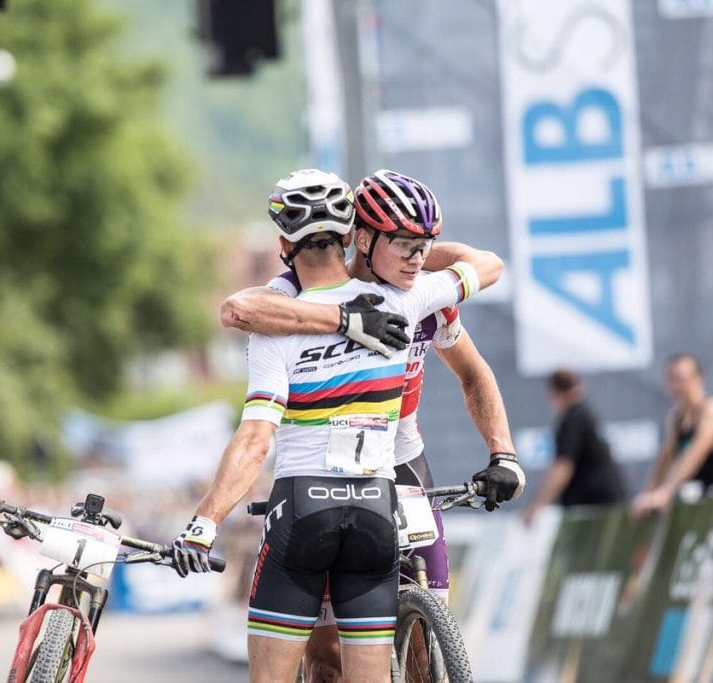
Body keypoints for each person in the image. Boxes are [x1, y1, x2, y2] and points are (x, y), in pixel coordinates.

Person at [171, 169, 523, 683]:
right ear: (358, 235)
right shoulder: (290, 301)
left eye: (422, 246)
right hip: (370, 492)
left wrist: (503, 453)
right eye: (403, 244)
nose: (415, 257)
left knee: (426, 647)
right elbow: (239, 308)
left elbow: (475, 369)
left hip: (399, 465)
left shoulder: (420, 291)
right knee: (327, 656)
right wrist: (345, 318)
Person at [630, 353, 713, 517]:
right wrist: (647, 495)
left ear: (698, 379)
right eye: (671, 379)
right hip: (699, 507)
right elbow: (665, 460)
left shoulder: (712, 409)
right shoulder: (676, 418)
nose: (676, 386)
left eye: (681, 379)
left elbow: (695, 454)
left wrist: (664, 493)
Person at [521, 369, 625, 526]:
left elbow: (563, 467)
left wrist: (536, 506)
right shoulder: (583, 413)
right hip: (604, 501)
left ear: (553, 392)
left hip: (595, 507)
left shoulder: (573, 419)